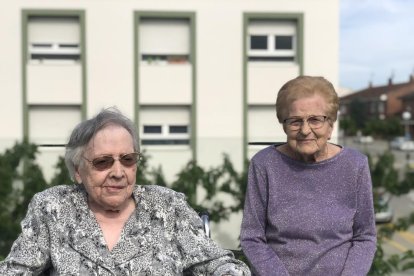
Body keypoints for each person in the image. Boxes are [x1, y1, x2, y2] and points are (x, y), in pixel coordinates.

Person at [0, 107, 250, 275]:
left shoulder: (167, 206)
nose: (118, 172)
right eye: (103, 162)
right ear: (78, 170)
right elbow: (16, 270)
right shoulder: (52, 207)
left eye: (128, 159)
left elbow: (218, 264)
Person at [240, 76, 377, 275]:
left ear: (331, 124)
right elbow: (252, 237)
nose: (305, 130)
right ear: (284, 124)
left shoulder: (355, 165)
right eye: (295, 121)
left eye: (315, 120)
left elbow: (365, 237)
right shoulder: (264, 164)